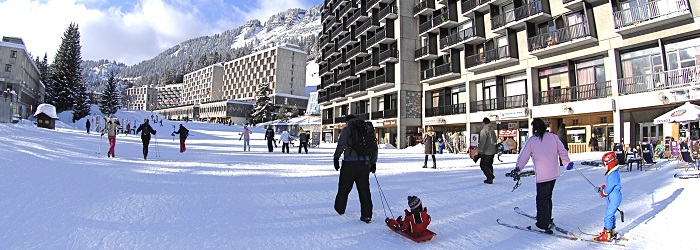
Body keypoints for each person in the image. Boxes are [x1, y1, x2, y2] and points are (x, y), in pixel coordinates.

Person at [513, 118, 571, 234]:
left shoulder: (532, 141)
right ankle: (547, 218)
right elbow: (562, 151)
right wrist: (566, 163)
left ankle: (542, 224)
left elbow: (523, 156)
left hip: (543, 175)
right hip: (553, 173)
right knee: (547, 197)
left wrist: (518, 169)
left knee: (542, 199)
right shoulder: (553, 137)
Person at [333, 114, 378, 223]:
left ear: (347, 121)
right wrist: (373, 162)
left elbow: (341, 144)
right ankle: (367, 215)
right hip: (364, 164)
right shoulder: (366, 128)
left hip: (349, 164)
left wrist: (336, 158)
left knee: (344, 187)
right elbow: (374, 147)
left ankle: (340, 209)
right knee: (364, 190)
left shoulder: (347, 129)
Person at [593, 152, 623, 242]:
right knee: (611, 214)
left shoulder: (613, 174)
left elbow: (610, 187)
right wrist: (602, 188)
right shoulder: (613, 173)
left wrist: (603, 192)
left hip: (614, 198)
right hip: (613, 197)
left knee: (608, 216)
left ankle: (606, 234)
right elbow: (609, 185)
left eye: (604, 164)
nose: (603, 167)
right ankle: (611, 231)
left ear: (610, 163)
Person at [478, 117, 498, 184]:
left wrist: (479, 150)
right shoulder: (492, 130)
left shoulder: (484, 130)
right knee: (489, 164)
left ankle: (490, 177)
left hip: (487, 151)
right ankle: (490, 180)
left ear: (484, 123)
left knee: (483, 164)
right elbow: (495, 139)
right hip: (493, 150)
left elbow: (482, 141)